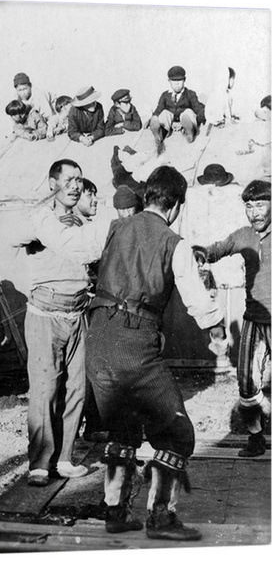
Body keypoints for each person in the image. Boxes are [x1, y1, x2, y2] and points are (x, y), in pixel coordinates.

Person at [87, 166, 227, 541]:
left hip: (97, 338)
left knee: (124, 427)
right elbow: (197, 300)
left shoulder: (116, 229)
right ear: (177, 204)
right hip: (133, 344)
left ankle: (115, 511)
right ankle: (161, 518)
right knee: (177, 433)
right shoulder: (173, 241)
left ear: (146, 196)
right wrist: (218, 329)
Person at [10, 159, 94, 487]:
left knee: (76, 388)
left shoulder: (85, 222)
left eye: (79, 179)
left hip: (78, 315)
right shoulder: (39, 219)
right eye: (68, 179)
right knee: (45, 388)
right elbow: (14, 237)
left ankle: (65, 457)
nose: (75, 185)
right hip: (45, 316)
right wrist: (50, 223)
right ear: (52, 183)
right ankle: (40, 462)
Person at [199, 179, 270, 457]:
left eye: (261, 205)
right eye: (249, 206)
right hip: (254, 319)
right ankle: (255, 438)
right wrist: (200, 253)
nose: (254, 212)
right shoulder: (244, 234)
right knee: (247, 382)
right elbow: (218, 249)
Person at [148, 65, 206, 154]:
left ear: (184, 80)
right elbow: (158, 109)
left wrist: (198, 119)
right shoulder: (165, 95)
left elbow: (198, 108)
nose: (177, 84)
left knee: (188, 112)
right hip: (170, 123)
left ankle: (189, 132)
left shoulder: (190, 94)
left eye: (179, 80)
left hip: (184, 121)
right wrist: (154, 117)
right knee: (164, 113)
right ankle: (159, 134)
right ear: (169, 81)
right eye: (174, 81)